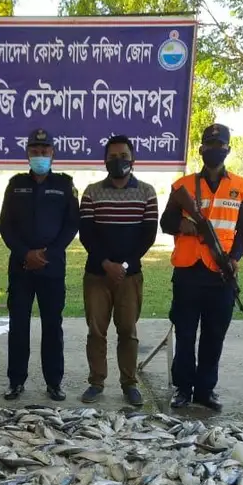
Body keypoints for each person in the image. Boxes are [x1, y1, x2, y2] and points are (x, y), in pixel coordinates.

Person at [159, 123, 243, 413]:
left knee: (214, 336)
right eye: (209, 145)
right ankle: (182, 390)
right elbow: (166, 223)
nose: (215, 150)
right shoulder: (183, 187)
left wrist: (236, 256)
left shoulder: (242, 187)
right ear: (200, 149)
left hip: (221, 273)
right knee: (186, 335)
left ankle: (205, 391)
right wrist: (186, 227)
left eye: (221, 146)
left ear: (228, 149)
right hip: (188, 272)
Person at [0, 128, 80, 401]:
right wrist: (25, 254)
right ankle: (15, 381)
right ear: (27, 154)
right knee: (18, 326)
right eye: (35, 151)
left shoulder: (65, 185)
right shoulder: (15, 184)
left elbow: (71, 225)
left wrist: (47, 254)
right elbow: (5, 225)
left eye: (44, 151)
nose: (40, 155)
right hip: (20, 268)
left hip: (52, 268)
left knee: (52, 327)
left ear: (53, 152)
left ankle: (54, 382)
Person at [78, 135, 159, 407]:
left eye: (123, 156)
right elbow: (86, 234)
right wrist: (106, 264)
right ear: (104, 161)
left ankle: (129, 384)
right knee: (96, 332)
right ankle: (96, 383)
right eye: (112, 157)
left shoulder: (147, 192)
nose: (118, 161)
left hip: (129, 276)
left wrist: (121, 266)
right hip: (96, 275)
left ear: (133, 159)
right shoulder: (91, 192)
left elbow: (147, 236)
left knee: (128, 331)